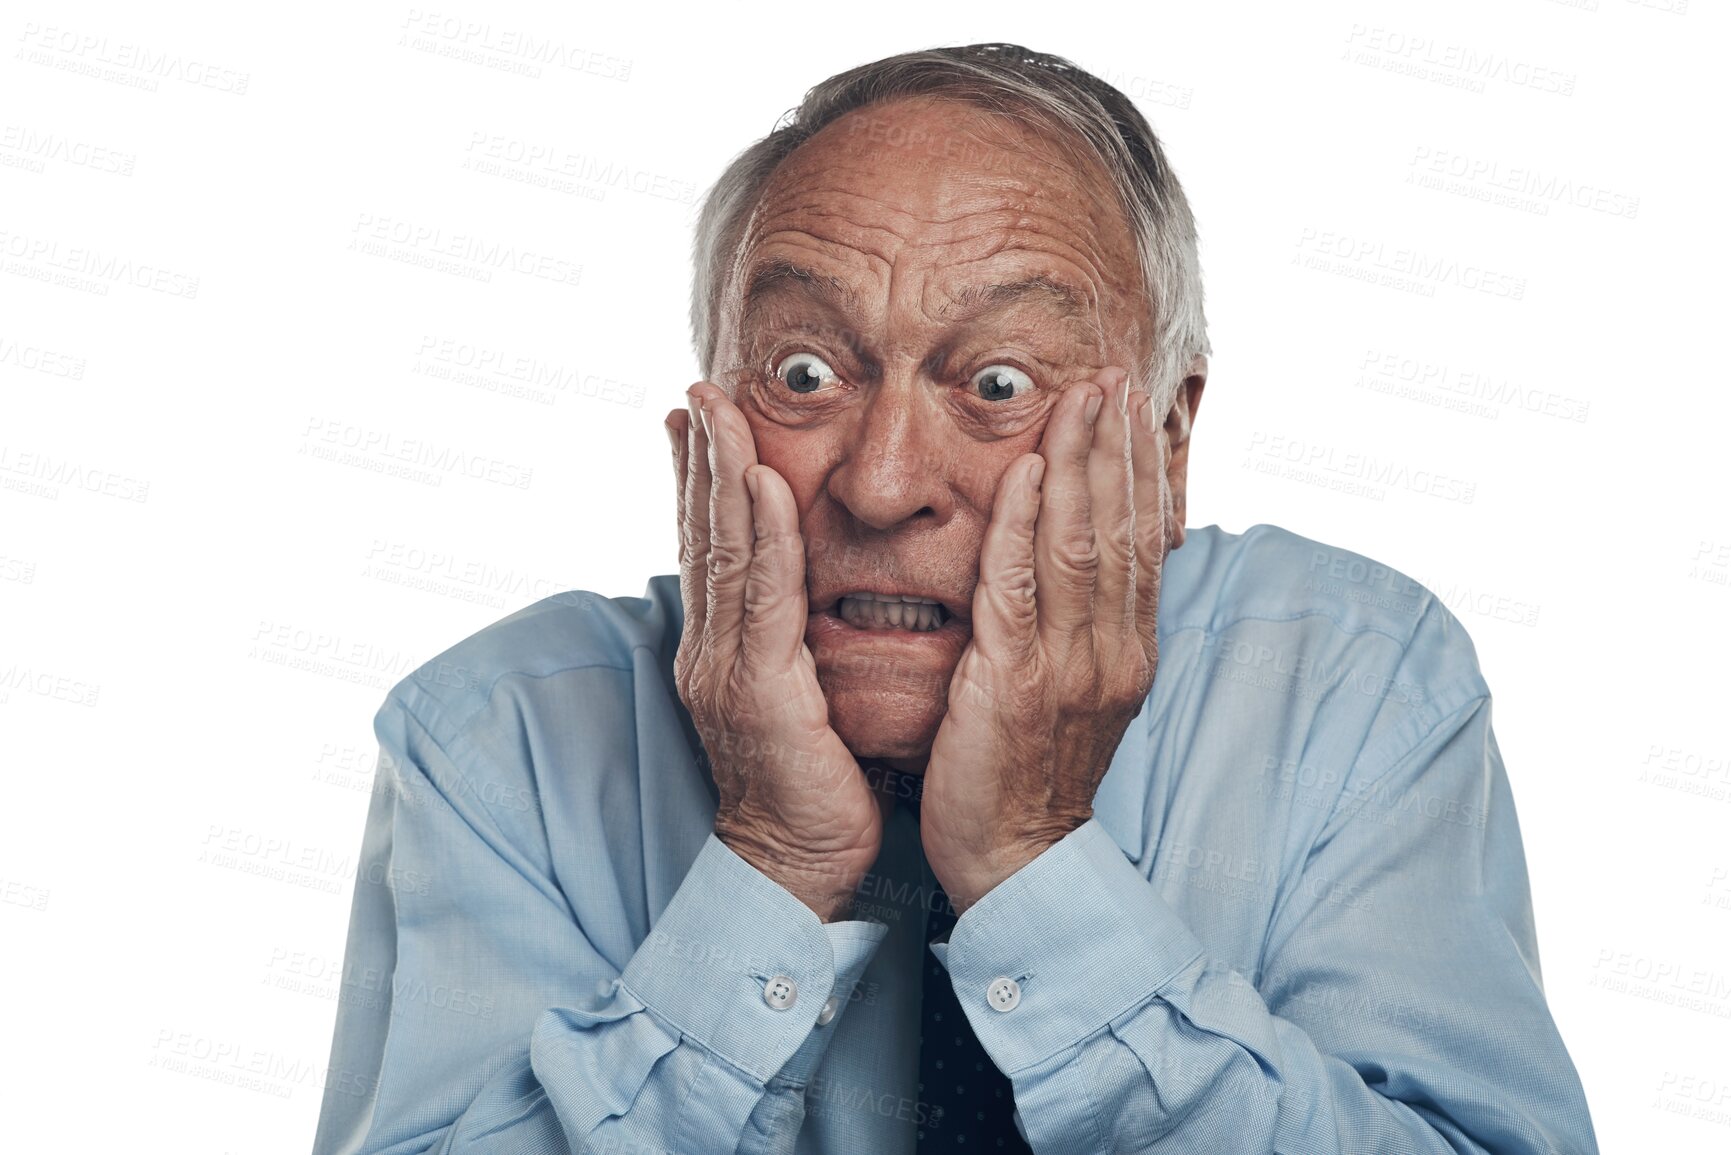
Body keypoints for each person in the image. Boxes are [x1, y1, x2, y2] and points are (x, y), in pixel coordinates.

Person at [312, 42, 1598, 1155]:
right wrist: (771, 864)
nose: (881, 485)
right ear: (704, 417)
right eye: (804, 372)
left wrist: (1033, 865)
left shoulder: (1351, 684)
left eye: (996, 386)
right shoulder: (498, 739)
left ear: (1170, 434)